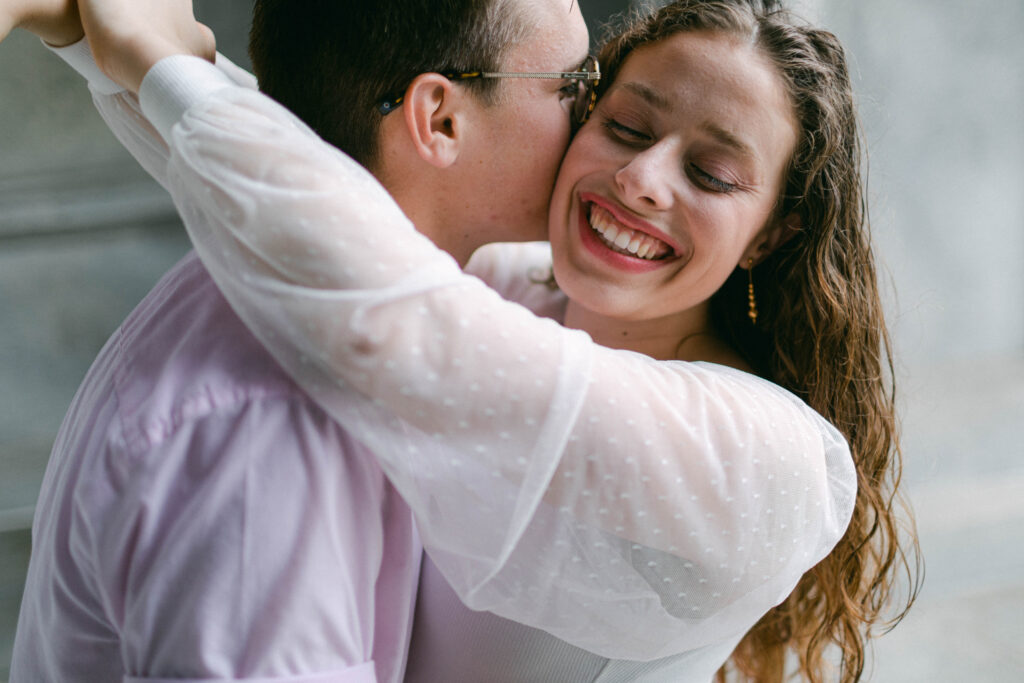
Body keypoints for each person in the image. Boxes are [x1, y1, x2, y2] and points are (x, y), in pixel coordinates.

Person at [56, 0, 917, 681]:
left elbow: (390, 296)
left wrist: (161, 65)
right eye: (618, 121)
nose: (643, 179)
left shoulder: (771, 458)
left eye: (712, 174)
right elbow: (349, 193)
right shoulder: (513, 286)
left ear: (770, 234)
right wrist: (107, 48)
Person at [7, 1, 596, 681]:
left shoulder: (308, 287)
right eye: (572, 84)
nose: (599, 117)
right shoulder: (271, 423)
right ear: (440, 120)